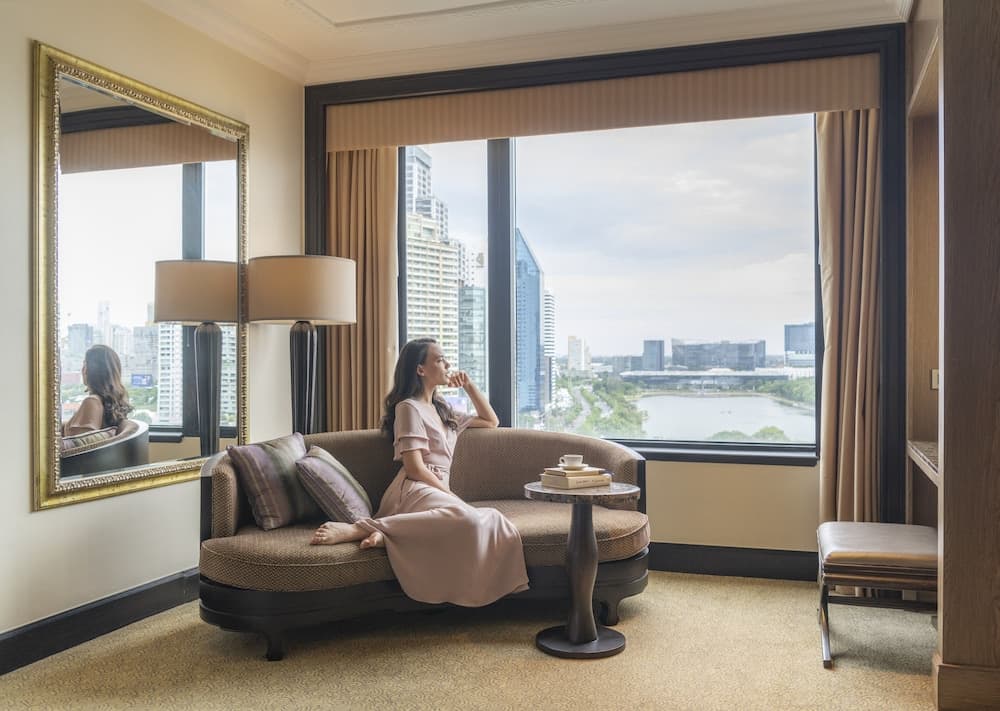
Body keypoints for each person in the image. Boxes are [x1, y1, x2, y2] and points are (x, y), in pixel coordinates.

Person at [311, 337, 530, 607]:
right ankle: (362, 528)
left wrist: (469, 385)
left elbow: (491, 421)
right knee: (468, 518)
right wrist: (448, 493)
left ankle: (389, 535)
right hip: (415, 488)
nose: (447, 364)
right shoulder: (408, 408)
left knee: (495, 519)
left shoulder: (444, 410)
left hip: (435, 490)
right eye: (440, 359)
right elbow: (414, 468)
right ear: (420, 369)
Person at [63, 344, 132, 436]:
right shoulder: (113, 400)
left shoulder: (92, 402)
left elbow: (83, 440)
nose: (82, 370)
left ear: (89, 371)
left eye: (85, 364)